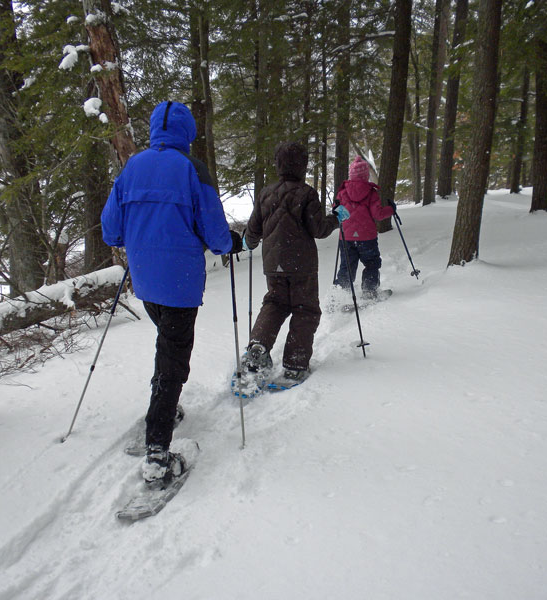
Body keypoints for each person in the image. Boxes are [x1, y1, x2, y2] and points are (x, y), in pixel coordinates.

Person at [101, 101, 242, 486]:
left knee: (167, 349)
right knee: (173, 360)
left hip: (144, 281)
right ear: (187, 132)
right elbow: (214, 232)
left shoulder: (132, 166)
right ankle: (157, 452)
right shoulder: (191, 169)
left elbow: (110, 229)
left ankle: (164, 409)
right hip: (179, 282)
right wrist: (229, 243)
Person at [242, 141, 349, 383]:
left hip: (273, 264)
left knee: (274, 303)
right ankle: (295, 363)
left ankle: (258, 346)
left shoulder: (265, 194)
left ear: (278, 164)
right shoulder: (307, 193)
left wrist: (248, 242)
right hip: (302, 265)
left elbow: (253, 228)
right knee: (305, 310)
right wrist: (336, 218)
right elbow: (318, 229)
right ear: (303, 165)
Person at [333, 155, 395, 299]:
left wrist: (340, 211)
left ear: (351, 175)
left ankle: (340, 297)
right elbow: (378, 214)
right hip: (367, 238)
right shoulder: (371, 193)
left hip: (346, 238)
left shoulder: (342, 192)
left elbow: (337, 212)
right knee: (372, 263)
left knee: (346, 267)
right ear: (366, 175)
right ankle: (369, 291)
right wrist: (391, 209)